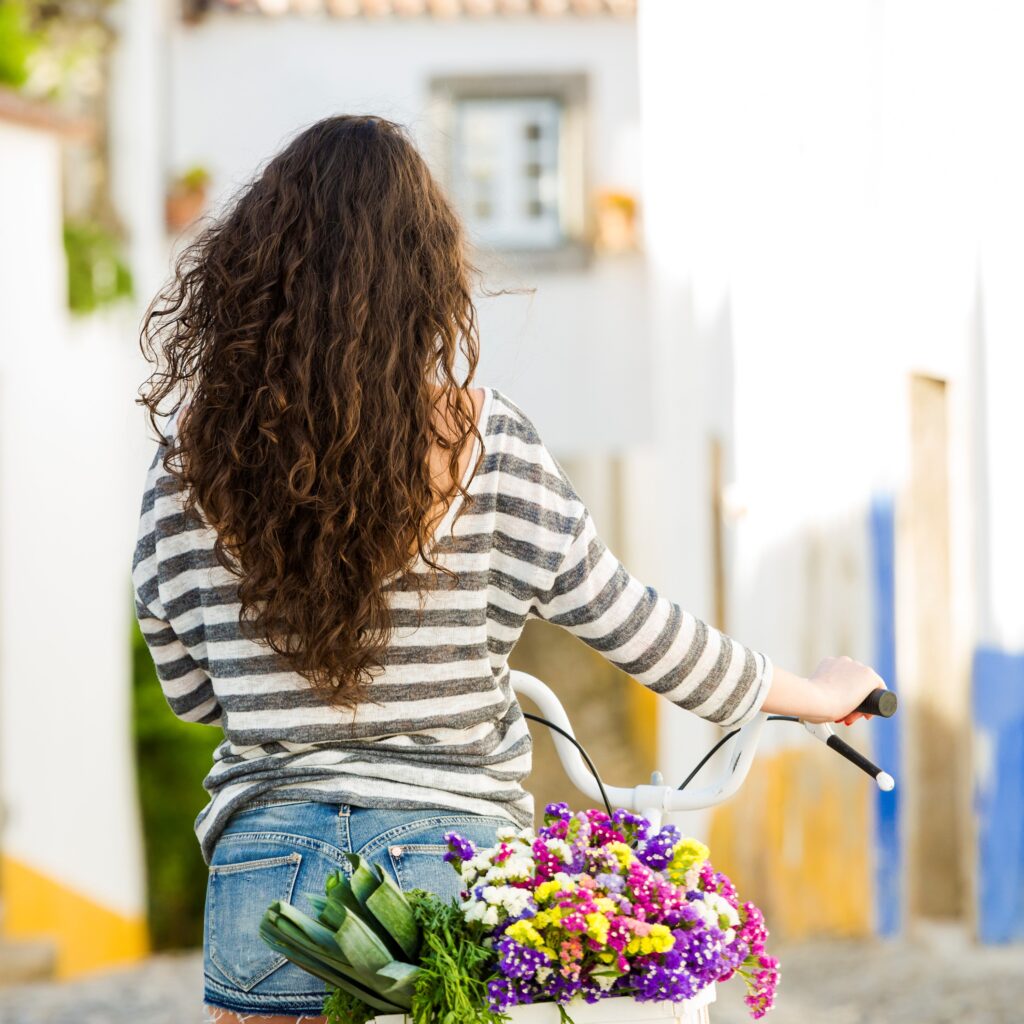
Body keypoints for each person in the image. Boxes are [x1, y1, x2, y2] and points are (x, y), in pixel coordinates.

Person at [132, 115, 887, 1024]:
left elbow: (188, 685)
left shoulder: (195, 462)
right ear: (426, 280)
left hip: (268, 865)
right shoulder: (493, 448)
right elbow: (636, 626)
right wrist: (809, 691)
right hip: (447, 860)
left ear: (253, 277)